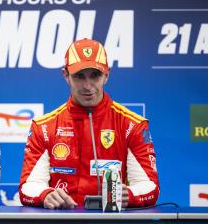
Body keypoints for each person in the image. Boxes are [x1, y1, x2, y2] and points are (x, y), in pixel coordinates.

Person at [19, 38, 159, 209]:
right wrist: (45, 195)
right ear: (66, 76)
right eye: (79, 76)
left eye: (95, 75)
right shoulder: (43, 127)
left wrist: (128, 195)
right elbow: (28, 186)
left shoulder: (132, 125)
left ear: (106, 75)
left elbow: (149, 187)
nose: (87, 86)